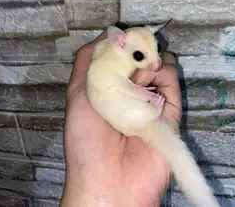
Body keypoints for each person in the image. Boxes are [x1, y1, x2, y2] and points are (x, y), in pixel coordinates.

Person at [60, 31, 182, 207]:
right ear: (119, 43)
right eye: (139, 55)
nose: (156, 64)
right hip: (122, 108)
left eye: (158, 48)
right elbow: (114, 82)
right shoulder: (109, 62)